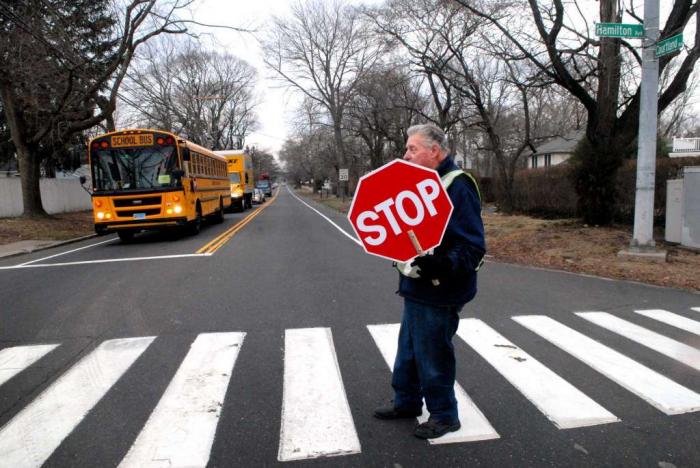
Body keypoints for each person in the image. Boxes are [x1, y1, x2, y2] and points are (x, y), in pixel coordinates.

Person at [374, 123, 486, 439]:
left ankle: (445, 415)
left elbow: (473, 246)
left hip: (441, 288)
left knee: (433, 353)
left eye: (412, 149)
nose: (405, 155)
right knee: (409, 349)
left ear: (433, 151)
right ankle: (407, 402)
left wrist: (440, 266)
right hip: (417, 285)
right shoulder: (420, 184)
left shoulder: (457, 185)